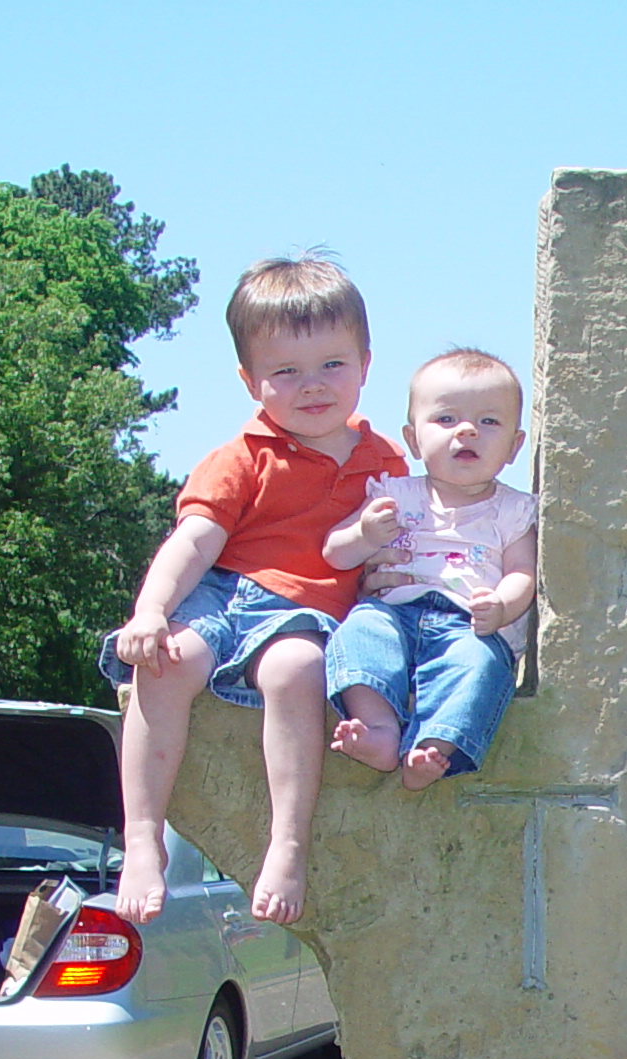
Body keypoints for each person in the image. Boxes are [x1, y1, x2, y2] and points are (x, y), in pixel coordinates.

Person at [101, 255, 408, 923]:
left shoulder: (385, 462)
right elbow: (194, 542)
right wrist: (151, 611)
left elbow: (398, 554)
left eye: (333, 364)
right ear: (249, 380)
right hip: (226, 593)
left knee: (297, 666)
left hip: (307, 613)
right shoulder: (240, 456)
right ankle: (144, 836)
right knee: (166, 660)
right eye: (286, 372)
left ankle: (288, 845)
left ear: (365, 362)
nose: (313, 386)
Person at [321, 349, 537, 788]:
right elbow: (335, 553)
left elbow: (523, 573)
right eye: (446, 418)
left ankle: (436, 747)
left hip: (466, 625)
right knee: (360, 630)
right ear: (413, 439)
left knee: (480, 665)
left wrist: (500, 605)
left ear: (515, 446)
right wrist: (363, 534)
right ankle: (378, 728)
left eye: (489, 421)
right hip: (394, 613)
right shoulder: (394, 494)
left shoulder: (513, 511)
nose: (467, 431)